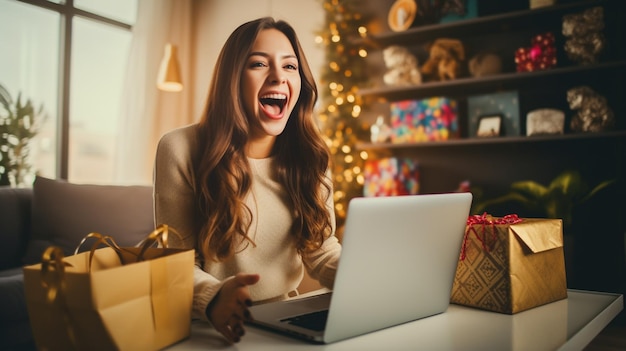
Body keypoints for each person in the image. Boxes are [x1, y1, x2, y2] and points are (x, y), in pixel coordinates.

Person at [153, 17, 342, 344]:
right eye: (258, 64)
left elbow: (322, 254)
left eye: (290, 66)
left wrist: (373, 282)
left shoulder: (311, 157)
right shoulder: (181, 148)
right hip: (205, 326)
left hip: (284, 324)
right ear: (232, 79)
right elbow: (174, 263)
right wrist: (213, 297)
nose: (278, 77)